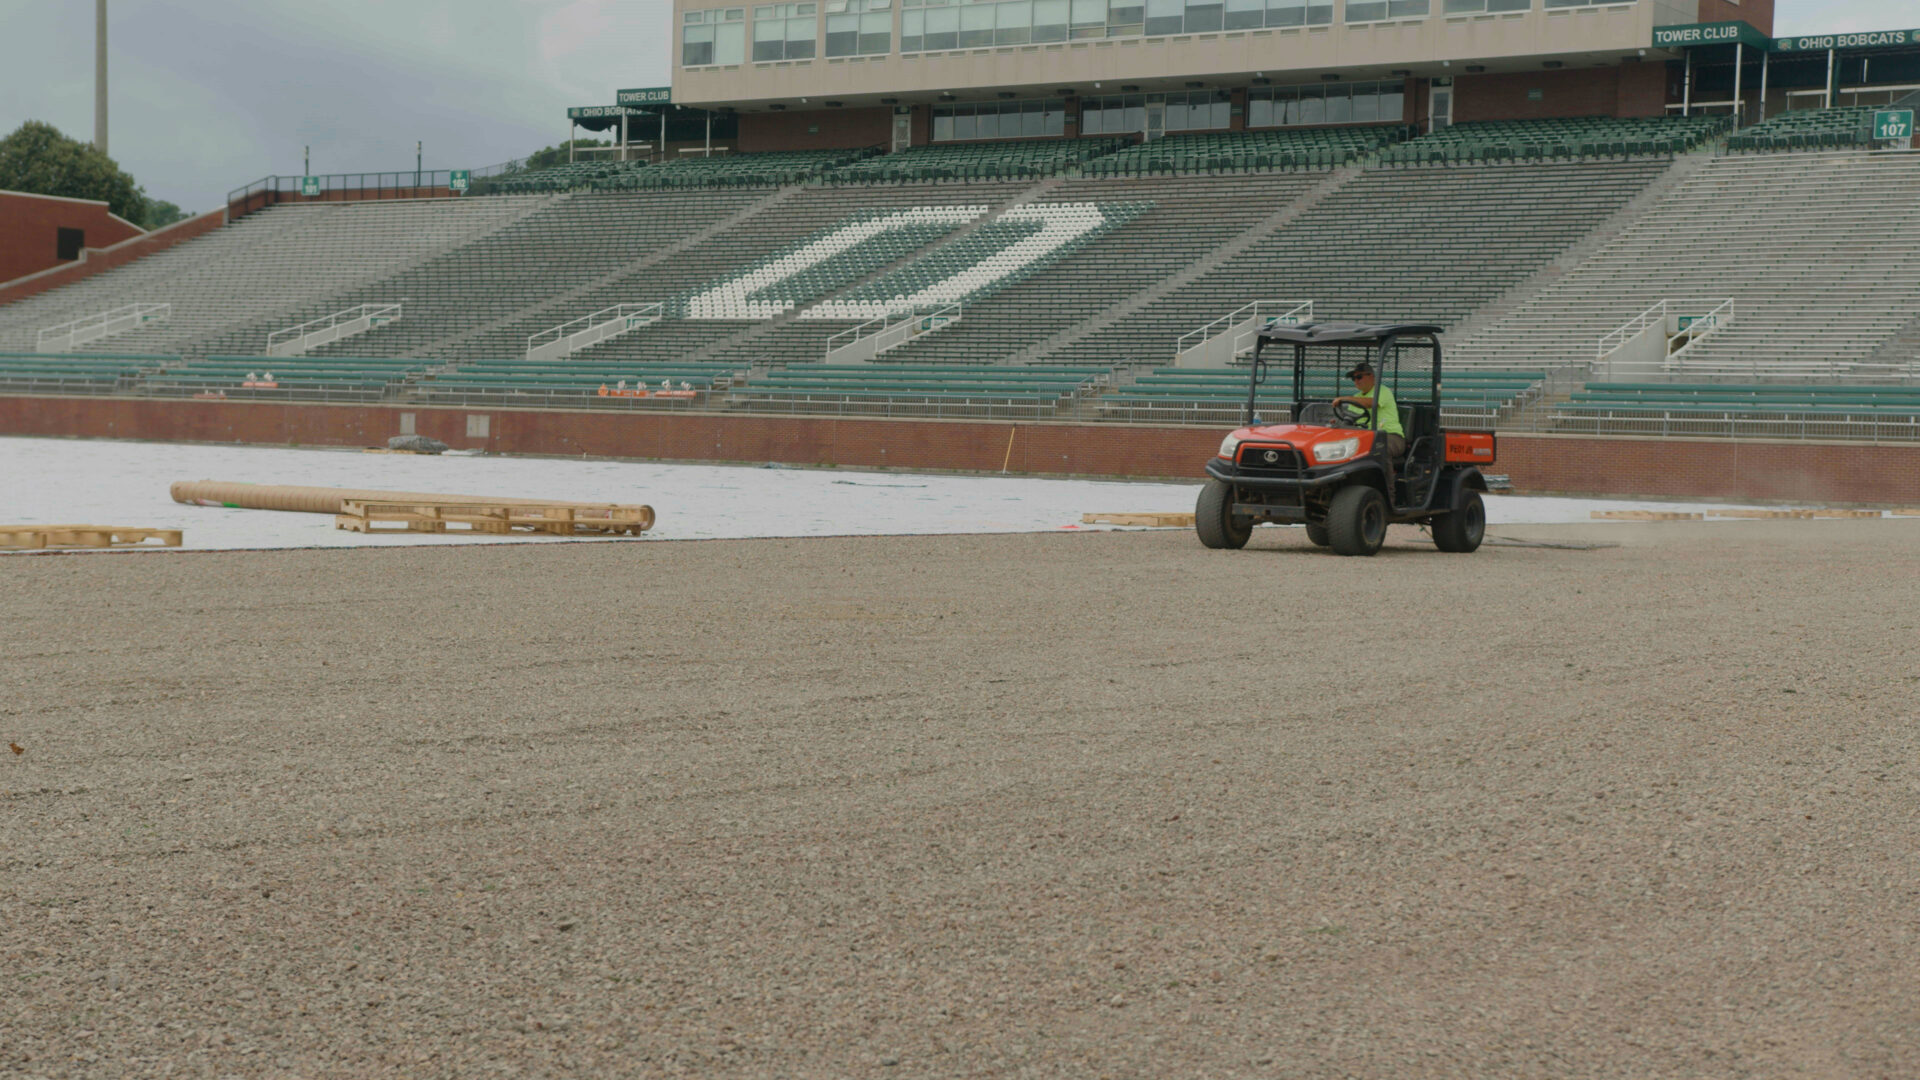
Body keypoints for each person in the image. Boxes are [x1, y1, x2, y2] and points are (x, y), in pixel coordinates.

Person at [1333, 361, 1405, 459]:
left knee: (1378, 448)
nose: (1356, 381)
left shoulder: (1382, 390)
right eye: (1353, 378)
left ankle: (1386, 474)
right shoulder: (1356, 397)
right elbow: (1349, 417)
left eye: (1359, 377)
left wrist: (1346, 398)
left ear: (1371, 376)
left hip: (1389, 436)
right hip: (1364, 436)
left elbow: (1371, 403)